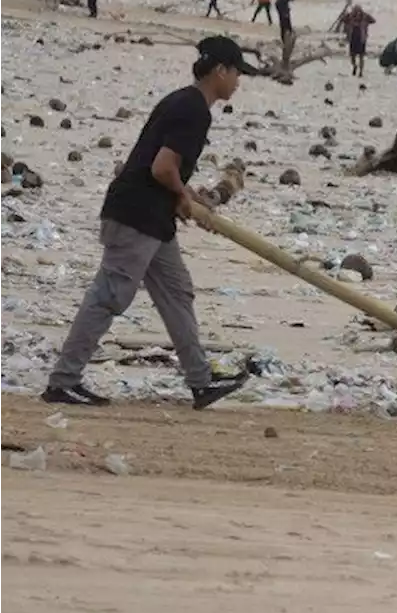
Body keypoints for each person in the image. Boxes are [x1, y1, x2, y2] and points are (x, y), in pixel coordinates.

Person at [42, 36, 259, 410]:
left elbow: (162, 164)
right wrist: (180, 195)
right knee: (109, 295)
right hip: (136, 215)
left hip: (152, 218)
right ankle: (64, 381)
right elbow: (161, 168)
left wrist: (185, 195)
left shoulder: (182, 101)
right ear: (220, 70)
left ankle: (201, 380)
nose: (239, 81)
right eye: (237, 72)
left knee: (177, 293)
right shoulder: (194, 109)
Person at [342, 5, 375, 77]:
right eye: (355, 11)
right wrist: (349, 16)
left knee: (361, 57)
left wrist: (366, 17)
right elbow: (343, 19)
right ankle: (355, 66)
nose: (357, 13)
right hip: (353, 39)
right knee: (353, 56)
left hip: (361, 39)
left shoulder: (365, 17)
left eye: (359, 11)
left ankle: (361, 71)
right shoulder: (350, 17)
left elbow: (373, 20)